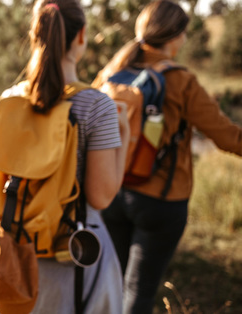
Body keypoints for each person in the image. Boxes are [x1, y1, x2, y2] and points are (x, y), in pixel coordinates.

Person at [0, 0, 130, 313]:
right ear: (81, 35)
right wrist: (124, 135)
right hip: (73, 256)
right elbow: (100, 197)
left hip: (12, 257)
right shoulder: (97, 105)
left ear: (34, 35)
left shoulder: (11, 97)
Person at [93, 1, 242, 313]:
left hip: (110, 192)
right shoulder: (181, 81)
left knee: (111, 284)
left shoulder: (112, 72)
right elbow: (227, 136)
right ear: (176, 36)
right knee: (139, 290)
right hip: (161, 199)